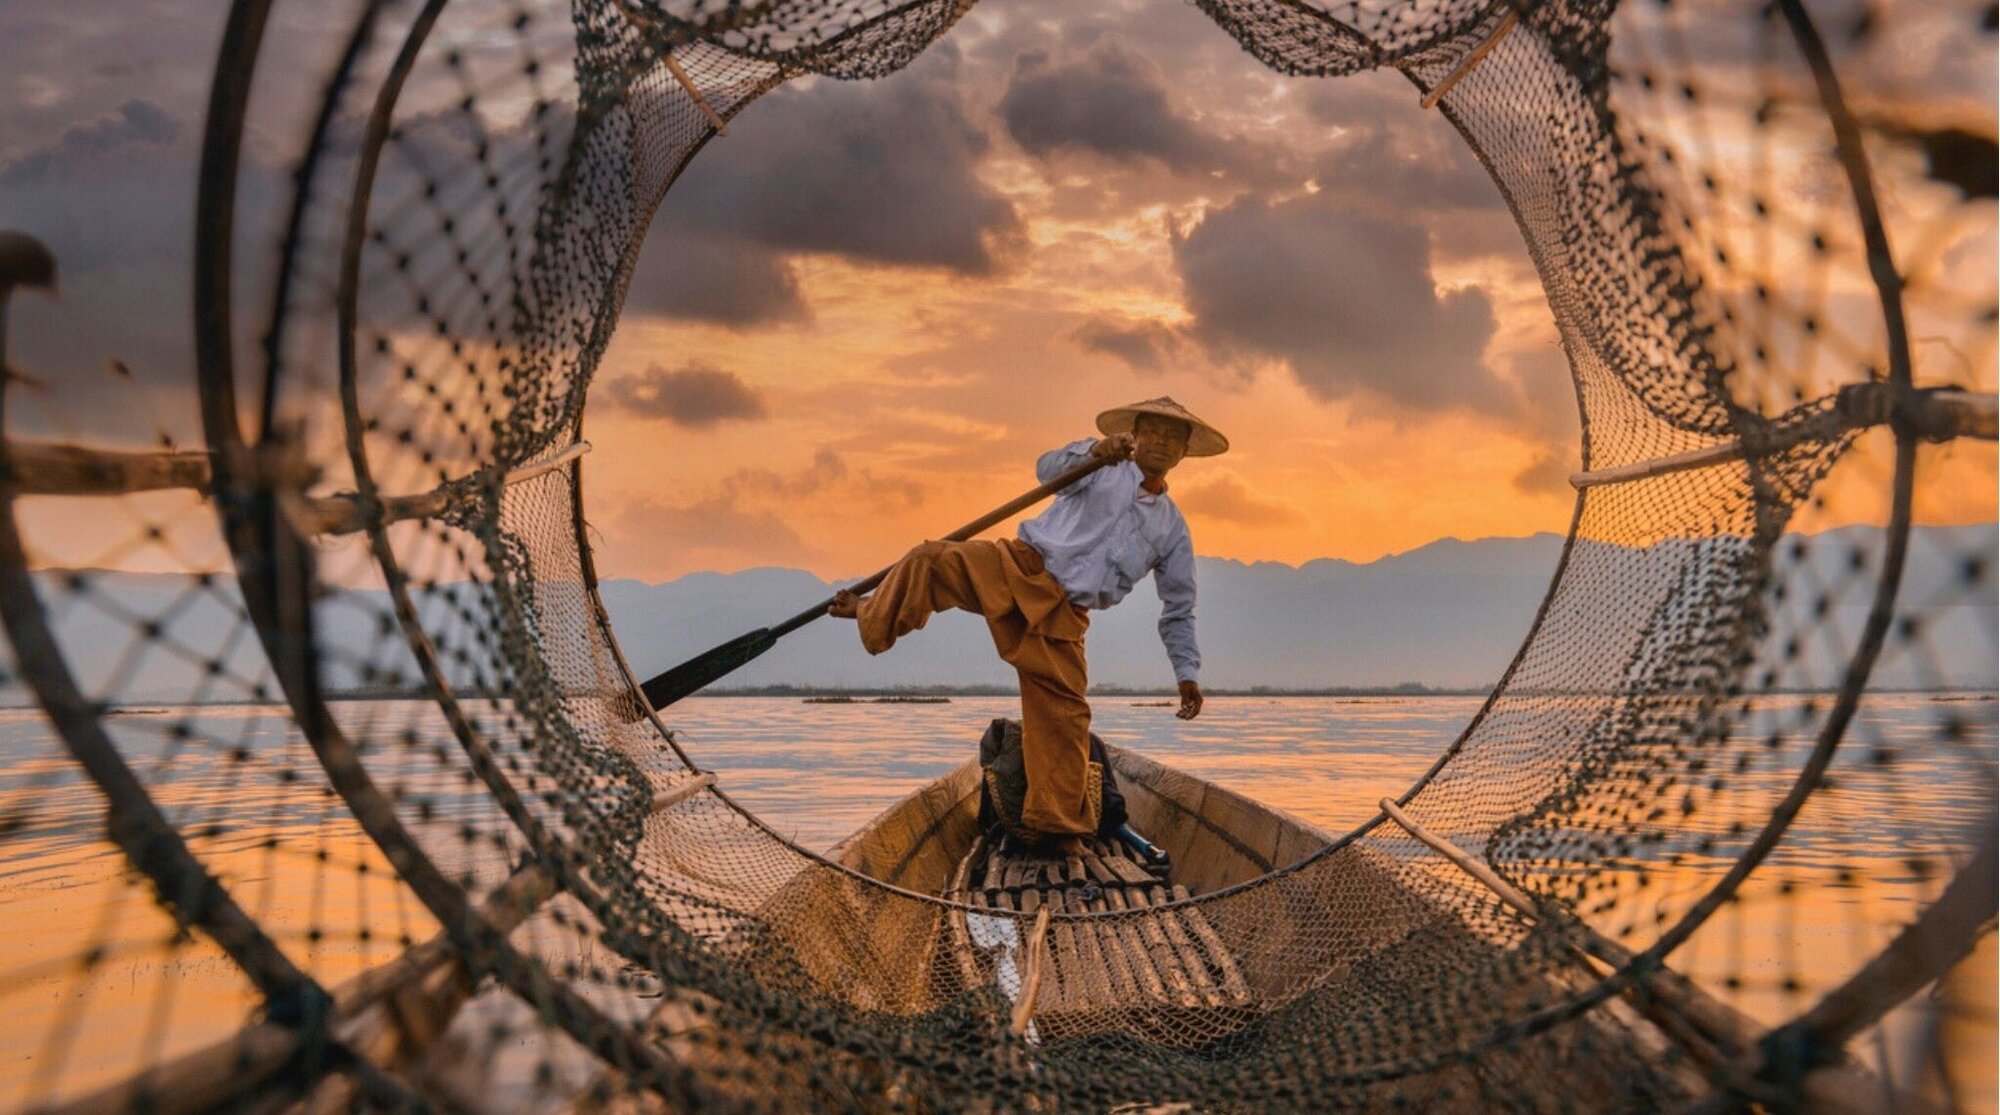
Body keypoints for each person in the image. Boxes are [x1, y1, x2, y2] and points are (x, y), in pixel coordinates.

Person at [828, 397, 1227, 852]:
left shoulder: (1172, 530)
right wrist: (1095, 452)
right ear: (1135, 435)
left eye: (1174, 437)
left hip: (1063, 616)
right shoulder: (1102, 465)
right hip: (1018, 566)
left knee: (1066, 721)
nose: (1162, 442)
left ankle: (1058, 832)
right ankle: (870, 611)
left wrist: (1187, 674)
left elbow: (1178, 609)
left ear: (1183, 453)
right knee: (929, 560)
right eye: (1153, 431)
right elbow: (1045, 468)